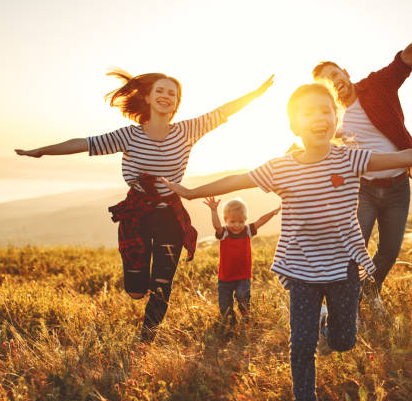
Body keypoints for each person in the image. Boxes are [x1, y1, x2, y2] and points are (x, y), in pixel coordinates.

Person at [161, 82, 412, 401]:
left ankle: (326, 326)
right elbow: (237, 180)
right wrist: (192, 191)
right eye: (309, 112)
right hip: (301, 267)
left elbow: (403, 157)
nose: (319, 116)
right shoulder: (281, 167)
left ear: (336, 119)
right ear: (294, 125)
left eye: (326, 110)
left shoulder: (350, 158)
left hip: (345, 266)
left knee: (344, 342)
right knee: (301, 342)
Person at [15, 70, 273, 341]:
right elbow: (83, 143)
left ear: (176, 103)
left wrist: (255, 95)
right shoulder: (129, 135)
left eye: (172, 93)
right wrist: (41, 150)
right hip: (137, 215)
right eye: (160, 91)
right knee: (136, 290)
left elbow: (223, 112)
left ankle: (145, 339)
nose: (166, 96)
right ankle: (139, 283)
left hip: (170, 216)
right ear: (148, 97)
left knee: (163, 284)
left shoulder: (187, 131)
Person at [312, 3, 412, 311]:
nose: (334, 83)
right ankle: (343, 302)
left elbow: (406, 58)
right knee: (353, 249)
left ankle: (370, 292)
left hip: (397, 188)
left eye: (334, 75)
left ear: (343, 71)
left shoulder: (377, 84)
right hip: (364, 190)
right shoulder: (332, 116)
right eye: (326, 84)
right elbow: (320, 141)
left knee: (389, 251)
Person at [203, 197, 280, 324]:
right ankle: (230, 323)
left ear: (245, 220)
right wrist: (213, 210)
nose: (237, 225)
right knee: (225, 307)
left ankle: (245, 315)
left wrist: (274, 212)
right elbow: (217, 226)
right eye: (232, 221)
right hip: (225, 277)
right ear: (226, 220)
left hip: (243, 276)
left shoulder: (247, 230)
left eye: (241, 221)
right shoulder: (225, 233)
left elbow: (261, 220)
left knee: (242, 296)